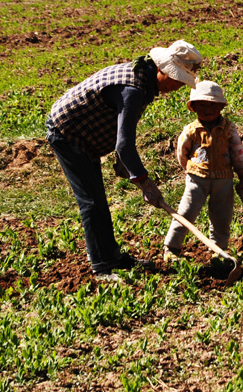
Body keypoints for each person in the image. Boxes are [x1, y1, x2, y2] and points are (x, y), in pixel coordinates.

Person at [46, 40, 203, 277]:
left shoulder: (142, 78)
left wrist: (124, 162)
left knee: (97, 200)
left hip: (84, 135)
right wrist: (145, 183)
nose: (179, 86)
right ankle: (102, 266)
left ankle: (113, 258)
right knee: (91, 202)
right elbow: (124, 144)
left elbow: (121, 128)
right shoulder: (133, 89)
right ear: (162, 70)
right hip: (67, 133)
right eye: (177, 79)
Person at [163, 80, 243, 260]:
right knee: (186, 213)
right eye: (202, 104)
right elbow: (182, 152)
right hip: (197, 179)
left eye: (212, 105)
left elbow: (238, 153)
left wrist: (242, 174)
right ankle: (171, 248)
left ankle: (218, 250)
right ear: (193, 107)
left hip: (223, 180)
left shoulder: (228, 129)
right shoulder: (191, 130)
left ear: (220, 107)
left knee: (221, 217)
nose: (207, 109)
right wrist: (189, 168)